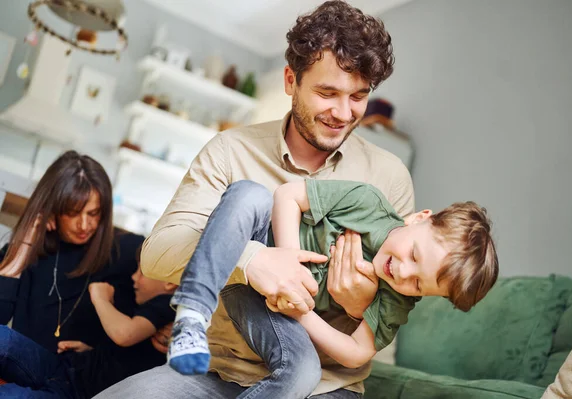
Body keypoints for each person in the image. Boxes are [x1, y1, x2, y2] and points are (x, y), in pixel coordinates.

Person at [96, 1, 414, 398]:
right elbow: (157, 254)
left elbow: (393, 306)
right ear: (290, 80)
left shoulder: (388, 176)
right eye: (327, 92)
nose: (343, 112)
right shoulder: (231, 150)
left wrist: (359, 304)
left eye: (358, 96)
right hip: (216, 370)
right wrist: (250, 260)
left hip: (325, 385)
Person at [167, 180, 498, 398]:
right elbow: (287, 196)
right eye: (413, 254)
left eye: (417, 285)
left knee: (304, 372)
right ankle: (191, 317)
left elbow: (356, 353)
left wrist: (303, 312)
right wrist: (288, 262)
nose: (402, 273)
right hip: (245, 255)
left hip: (268, 309)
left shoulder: (397, 302)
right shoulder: (367, 203)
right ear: (420, 218)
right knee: (249, 194)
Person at [0, 150, 157, 397]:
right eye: (73, 213)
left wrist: (98, 353)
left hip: (82, 381)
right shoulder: (27, 252)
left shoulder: (128, 250)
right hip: (29, 366)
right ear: (51, 209)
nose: (85, 225)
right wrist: (23, 245)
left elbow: (165, 298)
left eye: (93, 213)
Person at [0, 255, 176, 398]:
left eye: (142, 272)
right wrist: (92, 349)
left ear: (169, 283)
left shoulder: (170, 305)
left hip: (75, 393)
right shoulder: (150, 311)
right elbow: (131, 357)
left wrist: (100, 297)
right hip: (65, 366)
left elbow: (125, 335)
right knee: (4, 339)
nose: (134, 277)